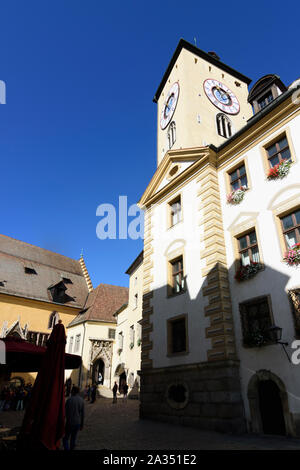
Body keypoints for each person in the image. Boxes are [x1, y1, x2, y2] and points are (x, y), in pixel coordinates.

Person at [63, 386, 84, 451]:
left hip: (70, 422)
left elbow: (65, 412)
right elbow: (83, 414)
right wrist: (82, 424)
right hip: (77, 422)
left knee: (66, 438)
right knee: (73, 438)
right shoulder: (81, 400)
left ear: (73, 391)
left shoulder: (69, 400)